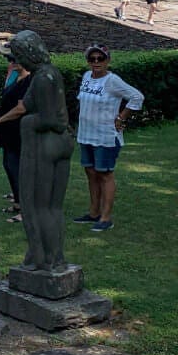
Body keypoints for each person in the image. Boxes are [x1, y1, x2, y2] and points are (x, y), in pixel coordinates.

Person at [10, 30, 74, 270]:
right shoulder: (47, 74)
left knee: (39, 205)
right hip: (60, 144)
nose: (17, 61)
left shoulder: (43, 78)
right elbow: (26, 104)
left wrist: (26, 122)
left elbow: (50, 120)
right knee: (51, 206)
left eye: (18, 56)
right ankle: (49, 255)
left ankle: (46, 258)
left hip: (47, 145)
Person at [72, 44, 144, 232]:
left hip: (105, 136)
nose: (96, 62)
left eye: (100, 59)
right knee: (90, 173)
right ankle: (93, 212)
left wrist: (121, 117)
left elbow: (137, 97)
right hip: (86, 133)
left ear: (107, 60)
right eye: (92, 59)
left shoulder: (112, 81)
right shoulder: (87, 77)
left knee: (105, 174)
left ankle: (106, 217)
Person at [0, 42, 31, 222]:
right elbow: (7, 100)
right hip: (8, 130)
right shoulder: (15, 76)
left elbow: (21, 108)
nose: (10, 62)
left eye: (12, 59)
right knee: (9, 164)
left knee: (19, 168)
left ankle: (26, 209)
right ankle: (18, 203)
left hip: (18, 129)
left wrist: (0, 119)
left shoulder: (29, 80)